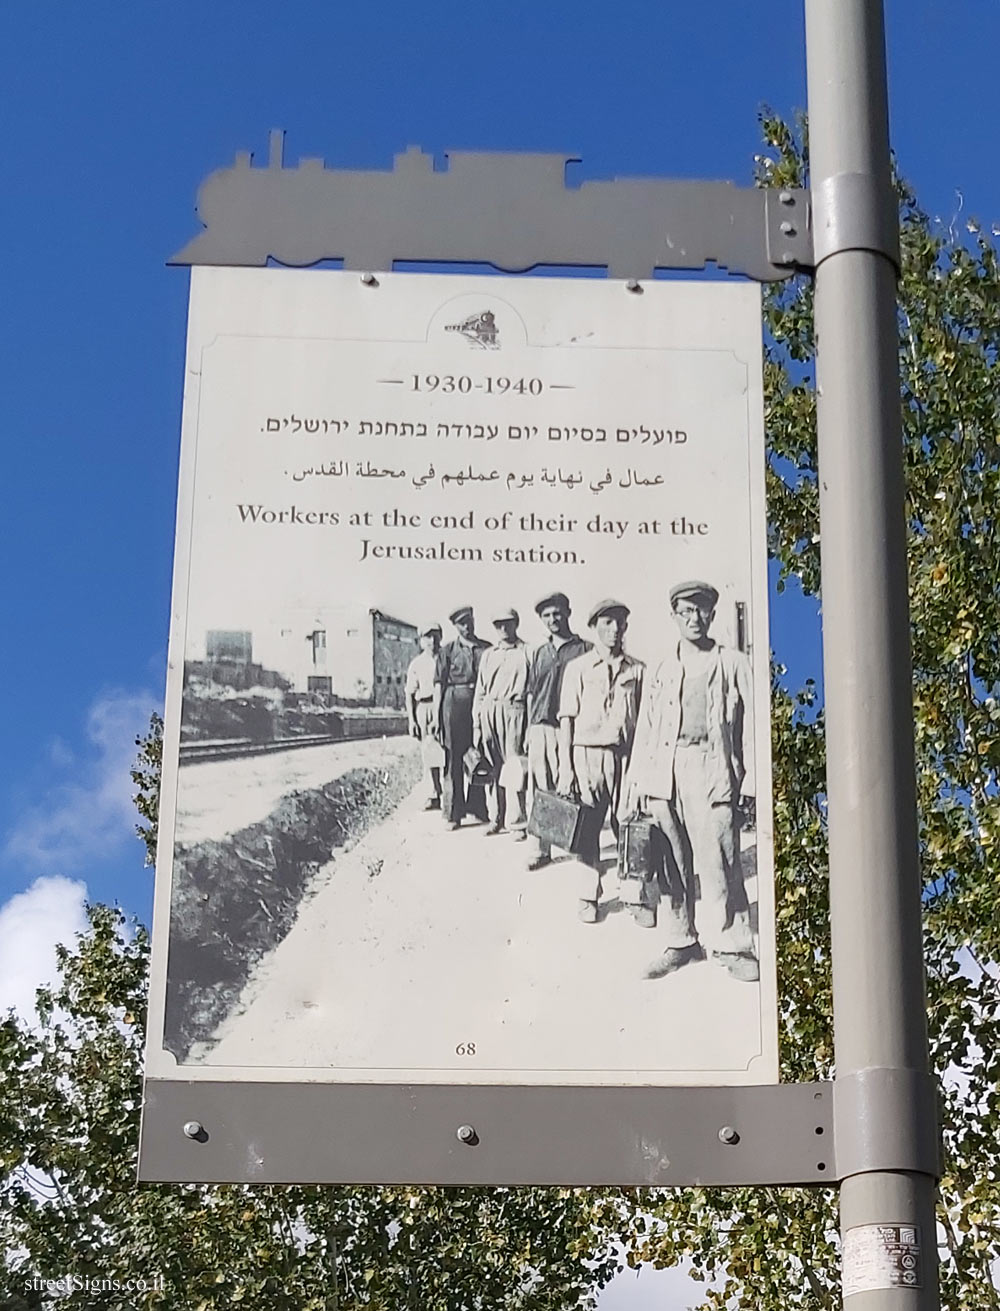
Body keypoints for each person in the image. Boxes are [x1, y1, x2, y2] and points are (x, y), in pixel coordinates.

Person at [624, 580, 759, 982]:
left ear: (712, 615)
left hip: (712, 767)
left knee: (721, 859)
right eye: (685, 612)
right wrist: (636, 782)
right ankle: (681, 940)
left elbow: (753, 721)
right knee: (671, 862)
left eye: (701, 610)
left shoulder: (732, 662)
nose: (694, 618)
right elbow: (645, 730)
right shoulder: (662, 668)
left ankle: (734, 944)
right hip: (666, 769)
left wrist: (748, 780)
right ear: (674, 617)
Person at [557, 600, 644, 922]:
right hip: (586, 756)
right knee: (587, 828)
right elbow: (566, 720)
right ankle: (587, 895)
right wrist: (566, 768)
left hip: (624, 756)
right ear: (594, 627)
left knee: (629, 824)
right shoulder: (577, 669)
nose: (615, 629)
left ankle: (634, 895)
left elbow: (645, 724)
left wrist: (641, 769)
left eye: (620, 622)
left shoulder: (637, 670)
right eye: (607, 622)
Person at [524, 592, 590, 870]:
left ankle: (581, 844)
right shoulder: (539, 652)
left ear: (568, 612)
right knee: (541, 789)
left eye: (557, 613)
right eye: (547, 615)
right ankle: (541, 849)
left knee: (576, 786)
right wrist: (529, 728)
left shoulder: (584, 648)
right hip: (542, 726)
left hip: (572, 726)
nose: (553, 619)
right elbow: (531, 693)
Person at [474, 608, 529, 836]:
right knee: (492, 766)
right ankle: (495, 817)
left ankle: (516, 823)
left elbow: (532, 688)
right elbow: (480, 690)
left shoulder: (527, 652)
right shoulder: (489, 654)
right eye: (498, 625)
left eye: (507, 623)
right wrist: (477, 724)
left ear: (516, 623)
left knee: (514, 767)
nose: (503, 629)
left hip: (514, 709)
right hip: (490, 711)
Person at [435, 606, 490, 829]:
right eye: (462, 623)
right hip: (454, 705)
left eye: (469, 621)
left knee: (479, 754)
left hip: (479, 703)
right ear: (455, 627)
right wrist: (438, 717)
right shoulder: (447, 651)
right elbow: (439, 684)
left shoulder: (485, 649)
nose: (467, 627)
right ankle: (453, 813)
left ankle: (477, 807)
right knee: (454, 758)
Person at [405, 622, 444, 810]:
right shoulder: (417, 664)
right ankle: (435, 794)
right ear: (421, 641)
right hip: (425, 707)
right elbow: (409, 694)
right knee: (429, 753)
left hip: (445, 706)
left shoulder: (447, 657)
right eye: (427, 637)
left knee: (449, 752)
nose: (432, 640)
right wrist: (412, 720)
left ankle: (452, 797)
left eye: (435, 635)